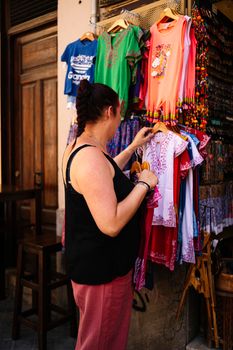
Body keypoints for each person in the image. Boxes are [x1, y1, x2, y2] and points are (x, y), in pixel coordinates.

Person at [62, 79, 158, 350]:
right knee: (102, 344)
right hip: (102, 273)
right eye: (119, 113)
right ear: (109, 112)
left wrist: (130, 148)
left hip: (95, 269)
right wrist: (144, 185)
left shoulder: (82, 149)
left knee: (96, 340)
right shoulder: (90, 158)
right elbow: (111, 223)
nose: (119, 122)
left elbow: (104, 176)